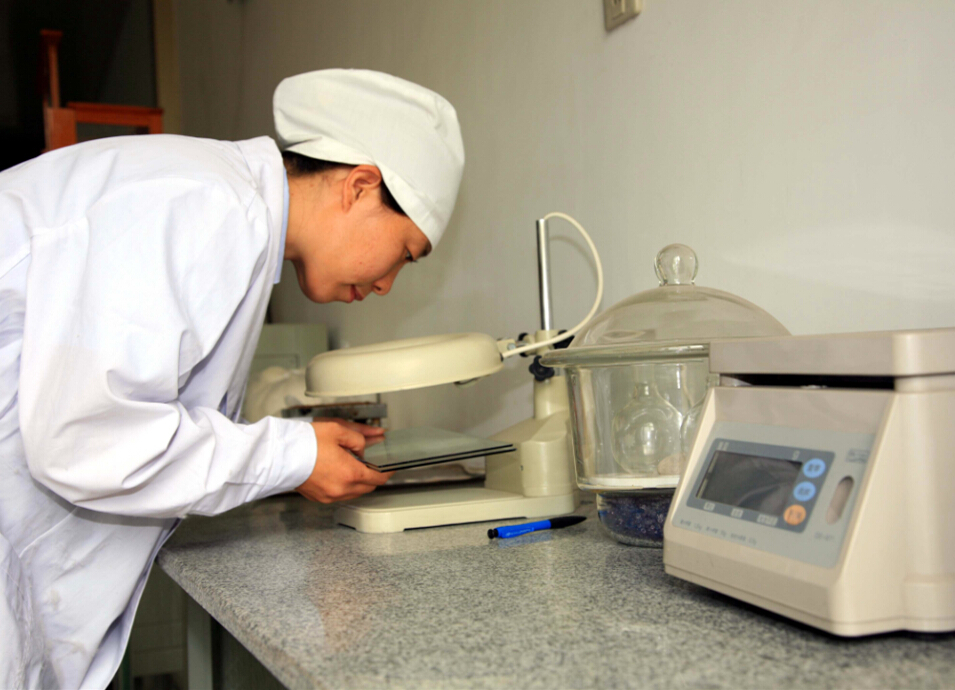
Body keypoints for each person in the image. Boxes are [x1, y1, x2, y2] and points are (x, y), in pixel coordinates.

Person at [0, 69, 465, 689]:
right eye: (404, 253)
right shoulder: (201, 204)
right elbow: (83, 437)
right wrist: (293, 456)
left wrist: (296, 454)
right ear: (359, 186)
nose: (386, 284)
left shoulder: (228, 214)